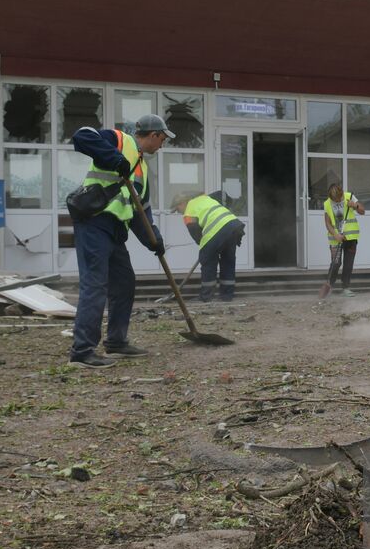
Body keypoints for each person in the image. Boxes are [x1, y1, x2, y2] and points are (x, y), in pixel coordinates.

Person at [66, 114, 171, 367]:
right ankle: (82, 352)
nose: (162, 145)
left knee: (124, 283)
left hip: (114, 231)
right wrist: (115, 159)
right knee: (95, 284)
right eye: (163, 139)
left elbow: (140, 211)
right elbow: (81, 136)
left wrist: (153, 241)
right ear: (154, 134)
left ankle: (116, 342)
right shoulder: (118, 140)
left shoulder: (143, 169)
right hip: (94, 222)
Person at [174, 190, 245, 302]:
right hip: (233, 226)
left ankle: (206, 297)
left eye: (177, 209)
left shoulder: (188, 212)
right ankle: (227, 296)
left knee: (208, 261)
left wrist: (205, 251)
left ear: (182, 203)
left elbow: (196, 235)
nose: (179, 212)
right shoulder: (204, 199)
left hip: (218, 229)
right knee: (228, 261)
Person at [321, 183, 364, 297]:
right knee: (336, 263)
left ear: (341, 193)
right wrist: (335, 235)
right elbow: (327, 223)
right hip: (335, 239)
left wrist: (355, 206)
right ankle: (329, 286)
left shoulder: (349, 197)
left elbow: (363, 211)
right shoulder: (327, 204)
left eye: (339, 198)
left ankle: (345, 288)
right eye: (334, 199)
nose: (337, 201)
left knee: (348, 264)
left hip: (351, 238)